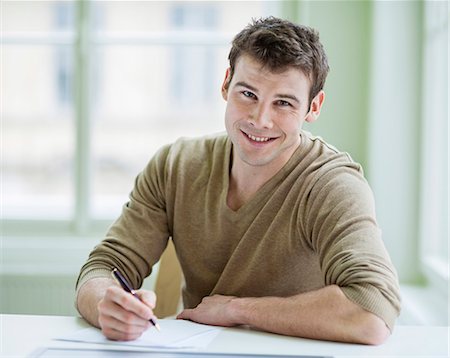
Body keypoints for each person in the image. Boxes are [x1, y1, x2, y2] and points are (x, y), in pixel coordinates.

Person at [76, 17, 401, 345]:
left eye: (284, 103)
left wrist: (238, 310)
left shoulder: (332, 185)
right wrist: (107, 304)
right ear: (225, 84)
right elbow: (103, 268)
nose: (260, 120)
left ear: (313, 107)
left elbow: (373, 311)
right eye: (248, 94)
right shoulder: (175, 166)